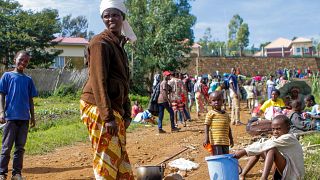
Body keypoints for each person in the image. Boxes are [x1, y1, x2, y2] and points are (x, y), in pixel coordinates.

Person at [80, 1, 137, 179]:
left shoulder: (118, 45)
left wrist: (127, 114)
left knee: (120, 158)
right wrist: (108, 117)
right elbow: (98, 81)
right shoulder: (100, 43)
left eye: (115, 14)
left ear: (123, 17)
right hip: (99, 107)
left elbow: (124, 83)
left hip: (113, 108)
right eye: (106, 15)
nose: (110, 18)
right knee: (106, 158)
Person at [0, 51, 38, 180]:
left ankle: (16, 173)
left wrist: (32, 117)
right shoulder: (7, 76)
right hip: (10, 117)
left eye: (26, 61)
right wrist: (1, 112)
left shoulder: (28, 80)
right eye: (21, 59)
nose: (23, 63)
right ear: (15, 59)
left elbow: (30, 100)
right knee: (6, 148)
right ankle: (1, 173)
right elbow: (2, 95)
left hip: (24, 119)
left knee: (20, 148)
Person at [234, 115, 305, 180]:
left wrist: (243, 152)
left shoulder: (288, 137)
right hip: (285, 168)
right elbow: (262, 144)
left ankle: (263, 178)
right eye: (273, 129)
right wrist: (245, 150)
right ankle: (242, 174)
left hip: (293, 174)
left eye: (278, 129)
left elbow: (266, 145)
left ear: (288, 128)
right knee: (260, 149)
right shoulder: (277, 137)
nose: (275, 132)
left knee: (271, 149)